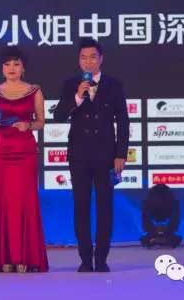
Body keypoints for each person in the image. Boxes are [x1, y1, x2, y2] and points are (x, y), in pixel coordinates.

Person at [53, 38, 129, 272]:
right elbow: (58, 116)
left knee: (105, 207)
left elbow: (123, 121)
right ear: (79, 60)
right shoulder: (70, 84)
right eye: (84, 57)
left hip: (106, 155)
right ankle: (85, 259)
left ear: (101, 59)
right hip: (79, 155)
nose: (88, 62)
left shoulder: (114, 85)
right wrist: (77, 97)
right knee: (81, 206)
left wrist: (121, 154)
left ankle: (102, 258)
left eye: (93, 57)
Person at [0, 46, 49, 273]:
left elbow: (41, 122)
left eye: (16, 64)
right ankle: (5, 258)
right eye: (7, 64)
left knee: (25, 201)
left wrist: (28, 125)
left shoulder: (34, 91)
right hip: (2, 151)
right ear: (2, 68)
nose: (12, 68)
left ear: (23, 68)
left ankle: (25, 257)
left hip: (25, 151)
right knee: (3, 201)